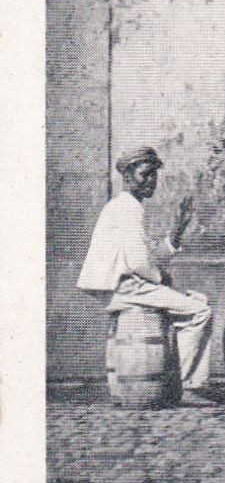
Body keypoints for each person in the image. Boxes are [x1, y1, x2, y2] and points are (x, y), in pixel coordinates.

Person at [77, 146, 215, 406]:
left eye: (154, 175)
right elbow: (140, 262)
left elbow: (148, 258)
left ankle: (121, 387)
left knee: (195, 299)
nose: (151, 180)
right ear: (128, 177)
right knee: (200, 310)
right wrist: (162, 279)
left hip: (118, 289)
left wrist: (176, 231)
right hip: (127, 287)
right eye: (145, 174)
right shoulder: (129, 209)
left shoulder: (122, 207)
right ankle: (187, 385)